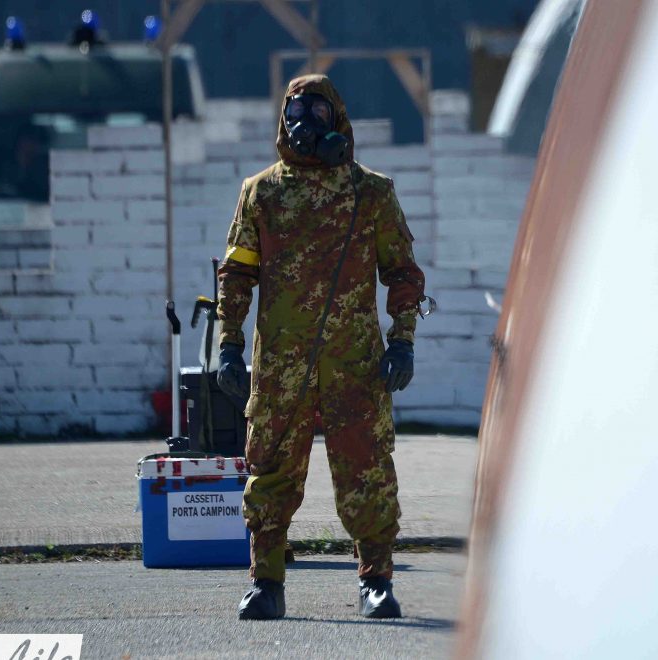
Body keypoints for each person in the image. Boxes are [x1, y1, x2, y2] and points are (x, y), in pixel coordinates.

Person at [216, 74, 429, 621]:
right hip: (280, 367)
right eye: (295, 111)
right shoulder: (261, 193)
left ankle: (376, 581)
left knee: (367, 470)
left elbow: (402, 272)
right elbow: (236, 274)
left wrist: (402, 342)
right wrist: (229, 344)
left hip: (354, 365)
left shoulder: (371, 192)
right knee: (270, 472)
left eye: (317, 111)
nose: (304, 122)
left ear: (338, 121)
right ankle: (266, 583)